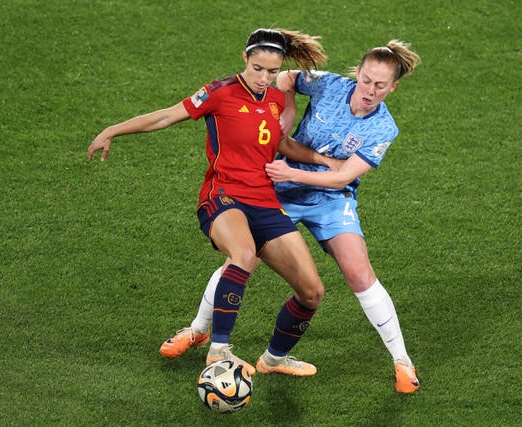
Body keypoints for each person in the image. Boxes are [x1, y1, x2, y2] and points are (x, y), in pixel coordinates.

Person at [159, 40, 422, 393]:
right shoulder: (328, 83)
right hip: (279, 190)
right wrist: (285, 116)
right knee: (242, 261)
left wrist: (293, 173)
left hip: (330, 197)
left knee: (358, 270)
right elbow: (281, 78)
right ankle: (197, 330)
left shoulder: (383, 128)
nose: (370, 91)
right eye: (366, 80)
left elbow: (343, 177)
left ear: (393, 88)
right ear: (356, 73)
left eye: (380, 85)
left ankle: (401, 361)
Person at [88, 28, 332, 377]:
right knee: (244, 256)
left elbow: (280, 143)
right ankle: (219, 351)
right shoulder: (221, 92)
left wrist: (324, 161)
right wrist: (113, 129)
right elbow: (166, 116)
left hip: (264, 200)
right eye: (258, 68)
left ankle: (274, 359)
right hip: (223, 196)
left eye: (272, 71)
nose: (264, 78)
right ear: (245, 58)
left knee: (312, 291)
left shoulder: (275, 99)